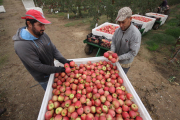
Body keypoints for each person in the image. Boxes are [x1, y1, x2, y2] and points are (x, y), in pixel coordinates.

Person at [12, 9, 71, 90]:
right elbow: (38, 66)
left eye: (44, 25)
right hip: (43, 76)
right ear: (29, 23)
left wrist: (64, 60)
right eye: (40, 25)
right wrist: (59, 69)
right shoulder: (22, 45)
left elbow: (53, 48)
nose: (44, 28)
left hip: (52, 69)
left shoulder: (41, 33)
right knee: (52, 91)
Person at [107, 7, 141, 74]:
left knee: (120, 77)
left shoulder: (135, 34)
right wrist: (112, 50)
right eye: (119, 22)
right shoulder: (118, 30)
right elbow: (113, 41)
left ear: (130, 19)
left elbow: (133, 52)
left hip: (125, 63)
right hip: (115, 59)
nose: (121, 25)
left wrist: (119, 58)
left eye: (123, 22)